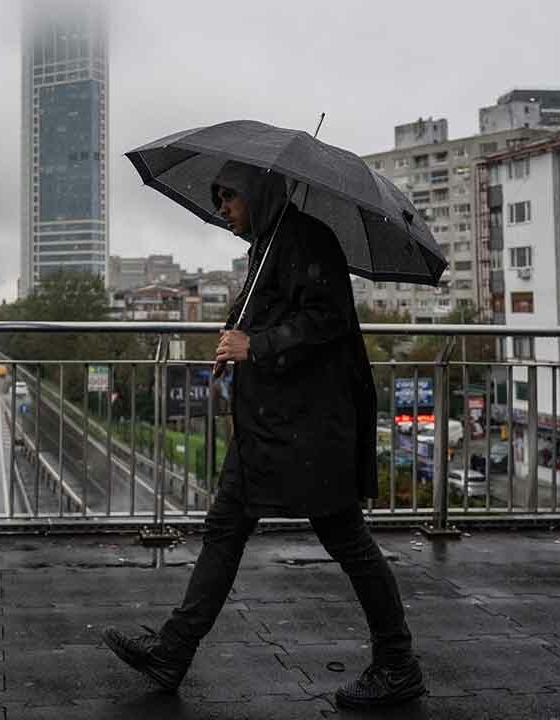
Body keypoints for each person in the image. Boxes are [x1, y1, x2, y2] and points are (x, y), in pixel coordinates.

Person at [101, 161, 426, 709]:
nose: (222, 206)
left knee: (347, 539)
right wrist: (235, 340)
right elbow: (266, 311)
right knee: (224, 528)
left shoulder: (307, 240)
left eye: (229, 196)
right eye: (218, 196)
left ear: (258, 193)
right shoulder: (269, 243)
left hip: (310, 430)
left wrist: (257, 347)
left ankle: (398, 665)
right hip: (269, 427)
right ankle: (173, 651)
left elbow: (327, 320)